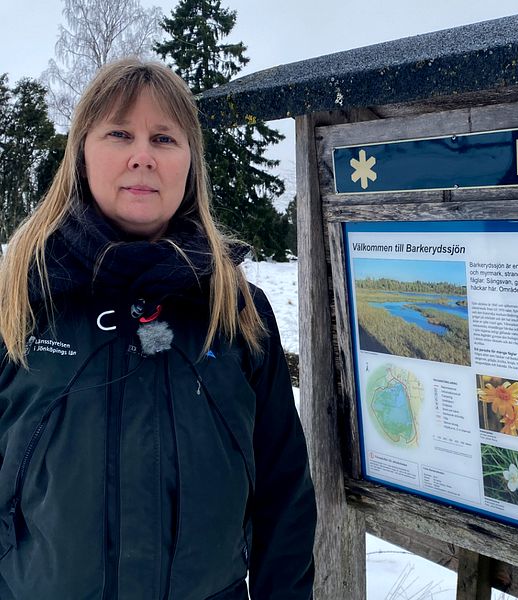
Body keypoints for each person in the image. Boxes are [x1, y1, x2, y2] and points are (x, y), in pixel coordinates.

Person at [0, 58, 316, 600]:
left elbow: (283, 498)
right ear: (80, 154)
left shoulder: (237, 311)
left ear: (190, 163)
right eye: (119, 133)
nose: (142, 156)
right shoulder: (19, 301)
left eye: (164, 138)